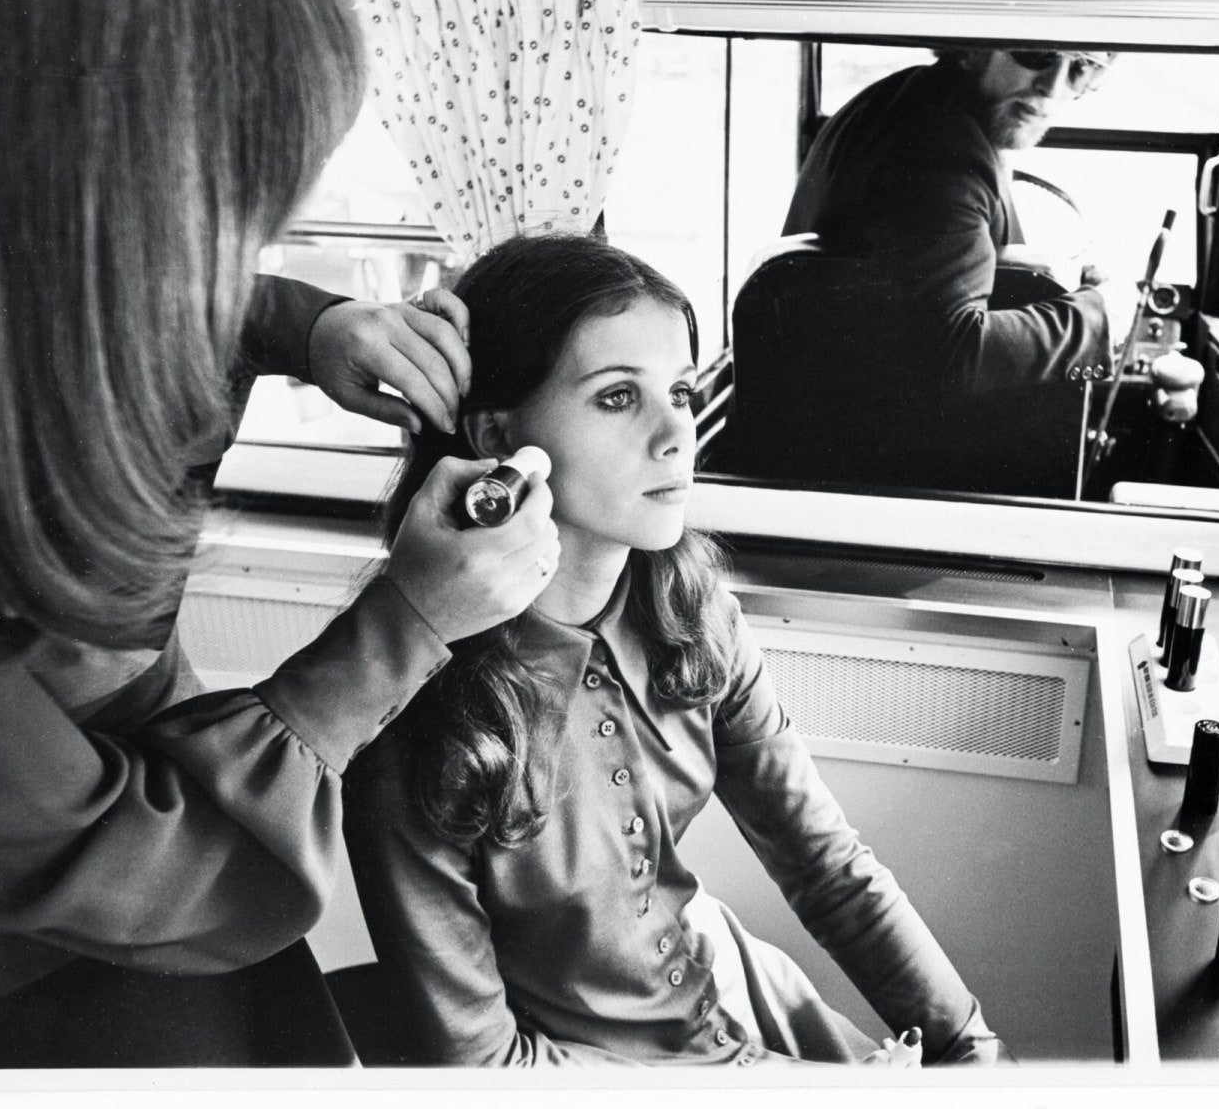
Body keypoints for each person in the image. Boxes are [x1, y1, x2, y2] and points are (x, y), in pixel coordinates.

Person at [0, 0, 560, 1068]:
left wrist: (313, 325)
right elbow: (123, 863)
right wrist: (406, 625)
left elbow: (150, 283)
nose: (240, 263)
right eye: (231, 220)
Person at [340, 233, 1006, 1067]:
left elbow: (828, 867)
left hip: (723, 990)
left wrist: (969, 1045)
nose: (675, 435)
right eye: (618, 398)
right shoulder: (410, 712)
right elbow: (483, 1069)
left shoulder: (695, 612)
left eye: (682, 392)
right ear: (495, 432)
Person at [781, 48, 1119, 390]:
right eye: (1036, 55)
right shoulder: (941, 156)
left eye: (1081, 67)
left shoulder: (903, 96)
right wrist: (1098, 317)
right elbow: (950, 351)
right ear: (974, 50)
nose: (1054, 87)